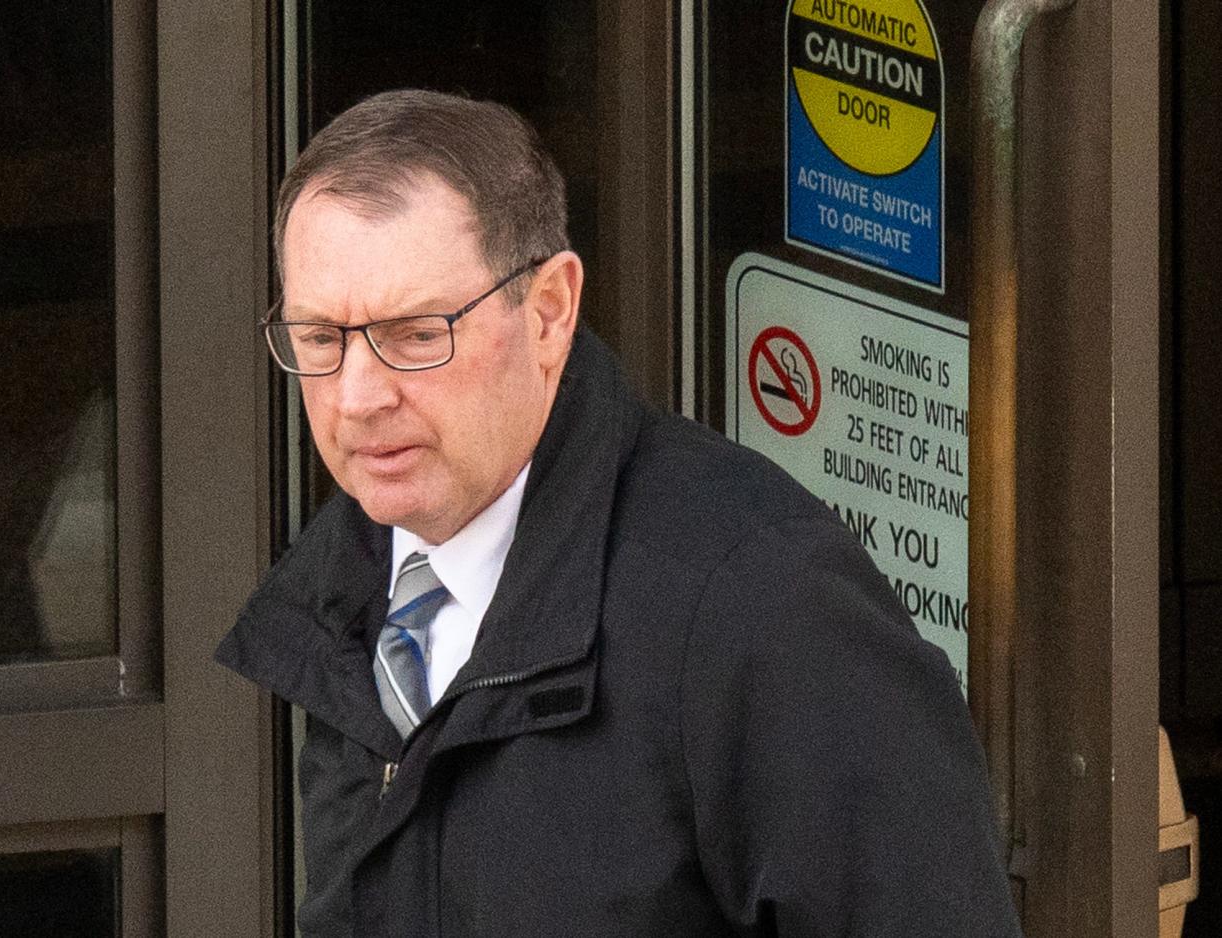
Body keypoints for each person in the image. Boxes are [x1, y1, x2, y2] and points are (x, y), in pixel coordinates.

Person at [216, 89, 1021, 937]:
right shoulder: (348, 591)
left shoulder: (763, 600)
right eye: (319, 339)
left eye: (417, 334)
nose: (356, 397)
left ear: (550, 313)